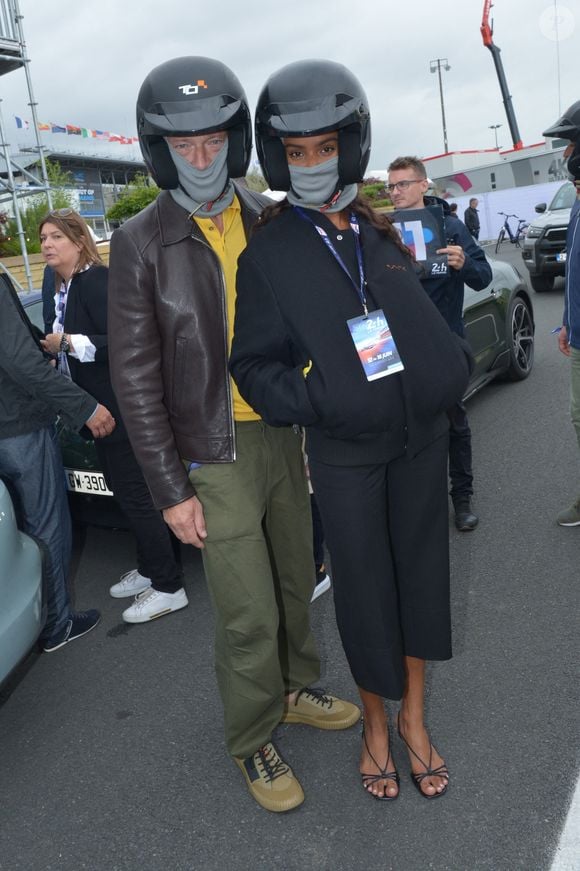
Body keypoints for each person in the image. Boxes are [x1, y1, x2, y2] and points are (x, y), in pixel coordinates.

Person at [107, 56, 360, 813]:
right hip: (210, 454)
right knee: (246, 609)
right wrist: (169, 490)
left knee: (293, 581)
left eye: (213, 138)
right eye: (183, 144)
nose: (202, 155)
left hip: (282, 431)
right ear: (160, 148)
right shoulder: (139, 241)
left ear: (237, 139)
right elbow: (136, 378)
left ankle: (289, 688)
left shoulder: (270, 214)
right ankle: (252, 739)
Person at [230, 59, 472, 801]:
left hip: (418, 444)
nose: (311, 164)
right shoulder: (270, 250)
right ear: (278, 157)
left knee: (423, 583)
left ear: (351, 146)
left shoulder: (378, 230)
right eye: (296, 152)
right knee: (365, 594)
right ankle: (375, 724)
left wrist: (446, 361)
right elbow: (253, 365)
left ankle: (415, 721)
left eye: (324, 147)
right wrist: (319, 395)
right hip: (345, 455)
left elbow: (418, 323)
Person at [39, 209, 186, 623]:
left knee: (138, 497)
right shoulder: (62, 288)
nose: (47, 245)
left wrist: (66, 342)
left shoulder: (97, 280)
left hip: (119, 407)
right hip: (97, 412)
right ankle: (150, 567)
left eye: (56, 237)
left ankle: (168, 585)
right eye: (43, 238)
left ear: (79, 241)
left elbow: (123, 340)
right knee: (128, 494)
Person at [0, 272, 114, 652]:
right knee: (45, 526)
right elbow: (19, 362)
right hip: (19, 428)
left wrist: (38, 347)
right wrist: (84, 407)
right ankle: (55, 624)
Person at [387, 156, 492, 530]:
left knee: (453, 422)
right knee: (400, 426)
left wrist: (464, 262)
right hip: (398, 348)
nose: (395, 192)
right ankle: (413, 504)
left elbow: (483, 277)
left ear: (423, 185)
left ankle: (461, 498)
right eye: (391, 186)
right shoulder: (382, 232)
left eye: (402, 184)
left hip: (445, 341)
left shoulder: (450, 227)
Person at [543, 101, 580, 525]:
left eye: (570, 145)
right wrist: (568, 321)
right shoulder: (574, 204)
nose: (565, 155)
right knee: (578, 417)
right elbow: (574, 270)